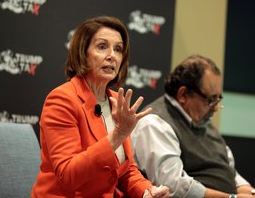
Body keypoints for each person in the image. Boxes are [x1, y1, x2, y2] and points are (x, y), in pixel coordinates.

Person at [31, 16, 170, 198]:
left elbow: (125, 170)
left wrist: (147, 191)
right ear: (83, 53)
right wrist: (117, 135)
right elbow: (68, 175)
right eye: (102, 47)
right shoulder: (62, 100)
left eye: (118, 49)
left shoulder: (115, 101)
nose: (112, 56)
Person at [131, 55, 255, 198]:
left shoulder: (202, 122)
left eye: (218, 99)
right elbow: (173, 186)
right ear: (183, 94)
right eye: (210, 100)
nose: (215, 108)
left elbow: (229, 172)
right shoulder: (154, 123)